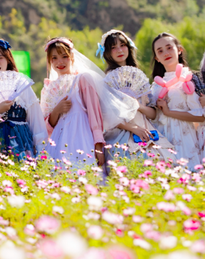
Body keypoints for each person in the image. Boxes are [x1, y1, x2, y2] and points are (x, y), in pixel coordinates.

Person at [40, 37, 137, 169]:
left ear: (72, 57)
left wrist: (98, 146)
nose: (60, 62)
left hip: (82, 138)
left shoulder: (82, 80)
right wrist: (56, 111)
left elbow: (95, 114)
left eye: (64, 56)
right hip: (59, 142)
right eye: (54, 58)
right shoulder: (48, 89)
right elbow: (46, 127)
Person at [98, 30, 175, 161]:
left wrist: (137, 105)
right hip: (121, 133)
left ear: (129, 47)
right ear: (107, 52)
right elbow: (108, 116)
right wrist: (134, 128)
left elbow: (153, 114)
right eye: (113, 47)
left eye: (122, 45)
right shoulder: (108, 80)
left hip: (147, 130)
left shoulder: (138, 75)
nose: (119, 50)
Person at [0, 39, 47, 165]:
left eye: (0, 57)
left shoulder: (22, 87)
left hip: (22, 148)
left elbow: (37, 125)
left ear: (8, 59)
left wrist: (42, 155)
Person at [150, 33, 204, 170]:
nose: (165, 53)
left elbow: (201, 116)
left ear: (179, 50)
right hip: (162, 137)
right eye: (160, 51)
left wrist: (169, 112)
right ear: (157, 58)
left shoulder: (189, 79)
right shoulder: (156, 85)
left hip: (185, 139)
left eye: (169, 48)